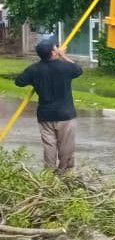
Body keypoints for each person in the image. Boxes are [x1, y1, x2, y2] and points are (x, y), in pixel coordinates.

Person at [14, 39, 83, 174]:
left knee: (49, 145)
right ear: (53, 52)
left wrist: (34, 81)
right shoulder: (65, 67)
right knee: (66, 146)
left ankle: (49, 174)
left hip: (45, 115)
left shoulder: (34, 69)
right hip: (65, 115)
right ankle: (65, 173)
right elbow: (78, 70)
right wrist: (62, 55)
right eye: (55, 48)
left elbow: (19, 82)